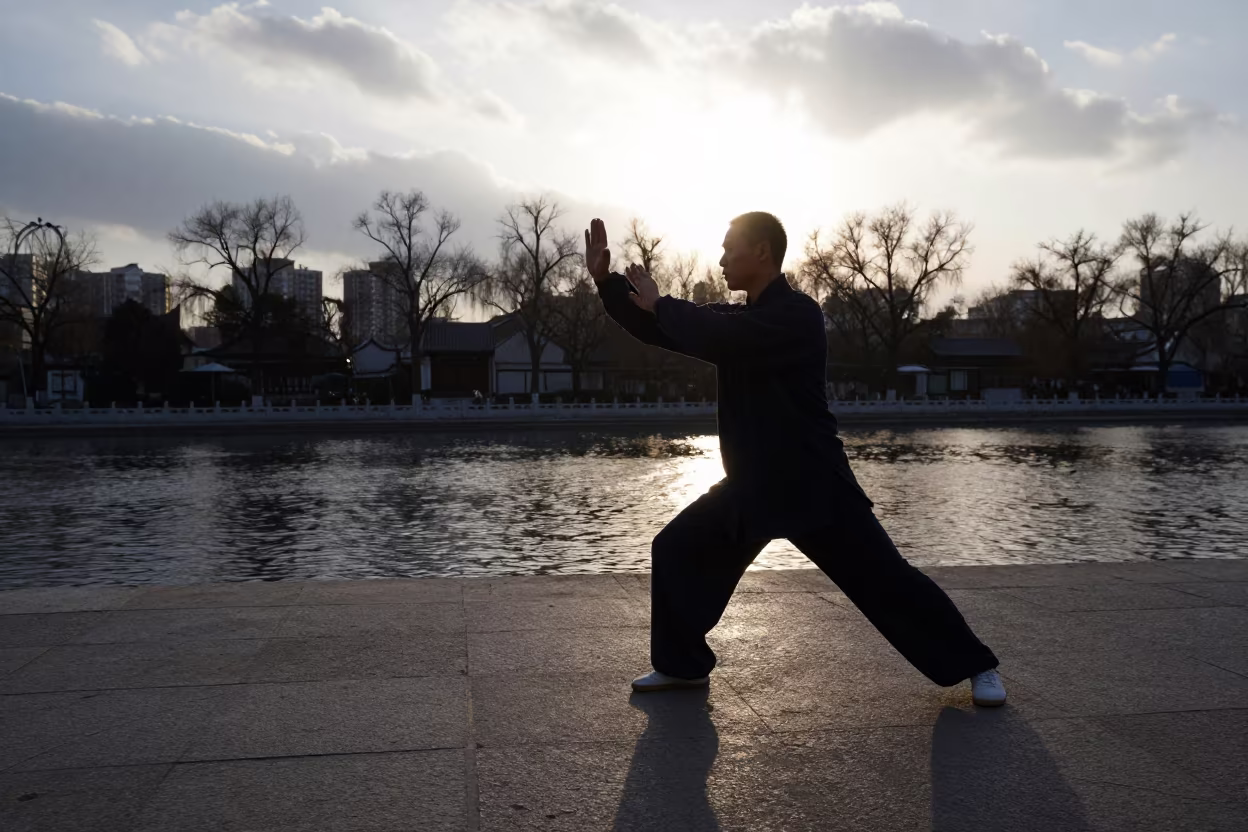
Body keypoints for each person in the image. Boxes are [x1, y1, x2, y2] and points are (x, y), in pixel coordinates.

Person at [584, 213, 1006, 706]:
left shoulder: (797, 315)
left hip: (813, 484)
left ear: (761, 252)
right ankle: (682, 666)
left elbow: (711, 333)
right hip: (751, 487)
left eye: (728, 249)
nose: (720, 259)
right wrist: (606, 283)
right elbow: (666, 329)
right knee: (677, 548)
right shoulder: (739, 317)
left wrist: (665, 304)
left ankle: (979, 665)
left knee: (887, 581)